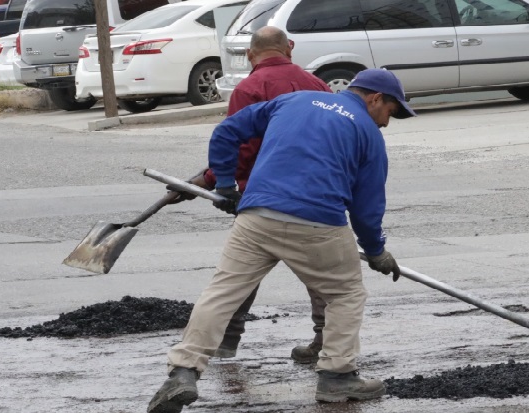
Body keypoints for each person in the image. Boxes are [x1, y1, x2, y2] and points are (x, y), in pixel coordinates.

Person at [147, 68, 415, 413]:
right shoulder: (368, 133)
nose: (386, 123)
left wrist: (226, 182)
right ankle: (337, 377)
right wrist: (376, 251)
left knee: (223, 292)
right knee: (345, 294)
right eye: (390, 112)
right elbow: (367, 206)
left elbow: (228, 131)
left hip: (257, 216)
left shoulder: (293, 101)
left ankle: (182, 372)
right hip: (319, 224)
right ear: (375, 99)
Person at [169, 26, 331, 362]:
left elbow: (242, 147)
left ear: (249, 54)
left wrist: (215, 179)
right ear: (290, 48)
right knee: (323, 275)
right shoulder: (317, 86)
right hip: (317, 194)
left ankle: (225, 342)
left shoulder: (250, 87)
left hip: (265, 195)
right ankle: (325, 343)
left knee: (240, 273)